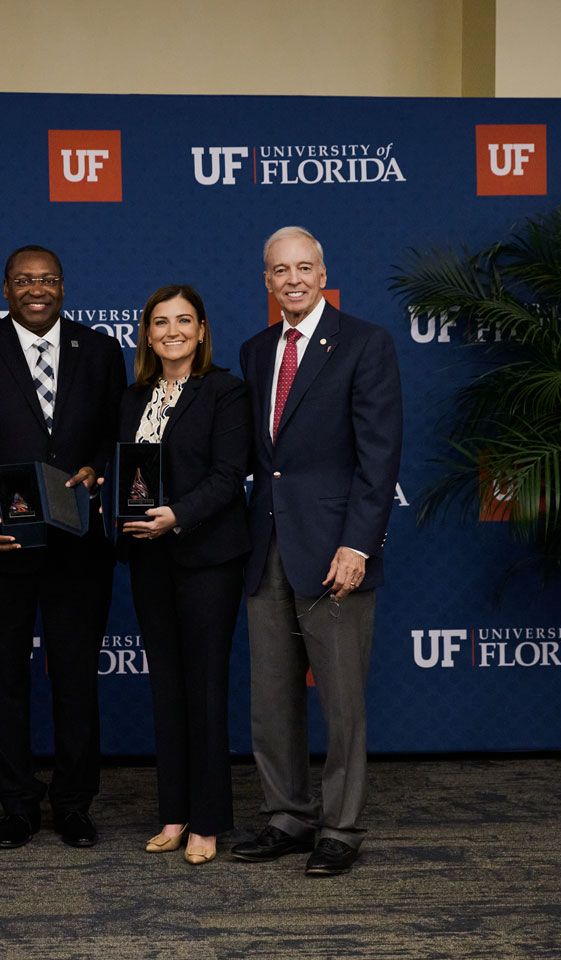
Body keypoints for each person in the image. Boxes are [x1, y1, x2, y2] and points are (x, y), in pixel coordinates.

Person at [234, 226, 402, 876]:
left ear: (323, 271)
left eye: (305, 267)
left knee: (341, 701)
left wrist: (358, 543)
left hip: (336, 553)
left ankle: (341, 826)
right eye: (281, 271)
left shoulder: (364, 342)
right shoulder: (254, 352)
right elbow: (252, 457)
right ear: (267, 281)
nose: (294, 280)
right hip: (266, 546)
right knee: (271, 695)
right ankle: (286, 816)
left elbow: (379, 455)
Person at [0, 245, 125, 849]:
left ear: (64, 286)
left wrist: (98, 469)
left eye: (47, 279)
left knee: (76, 676)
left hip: (78, 545)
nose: (36, 289)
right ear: (5, 288)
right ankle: (17, 804)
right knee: (4, 678)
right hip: (2, 545)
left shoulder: (100, 351)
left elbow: (116, 437)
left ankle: (74, 802)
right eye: (24, 280)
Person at [116, 285, 251, 865]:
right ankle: (173, 814)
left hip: (206, 557)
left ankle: (208, 822)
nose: (172, 330)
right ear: (146, 333)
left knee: (205, 688)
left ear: (201, 330)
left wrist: (177, 516)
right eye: (160, 322)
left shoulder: (225, 391)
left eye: (184, 321)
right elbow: (126, 472)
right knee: (165, 686)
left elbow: (229, 475)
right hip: (148, 557)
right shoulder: (133, 396)